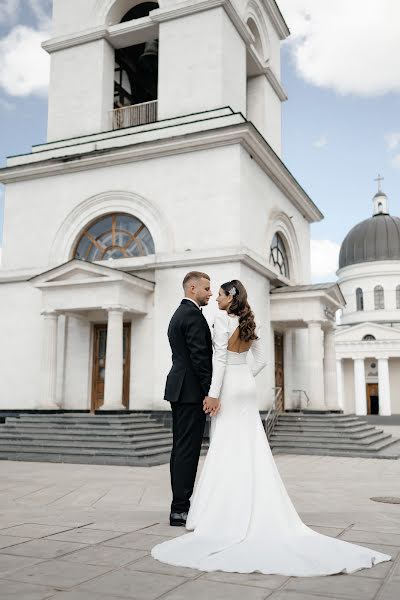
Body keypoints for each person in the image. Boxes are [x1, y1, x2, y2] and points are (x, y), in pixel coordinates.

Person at [152, 279, 392, 576]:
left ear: (230, 297)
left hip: (227, 387)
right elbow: (261, 360)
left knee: (226, 447)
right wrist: (245, 377)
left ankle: (221, 510)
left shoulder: (222, 322)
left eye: (220, 294)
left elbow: (221, 361)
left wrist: (215, 393)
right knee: (252, 446)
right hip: (247, 388)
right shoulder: (250, 322)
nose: (215, 297)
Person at [164, 271, 220, 527]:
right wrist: (211, 392)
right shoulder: (193, 316)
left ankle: (179, 506)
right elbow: (200, 359)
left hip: (179, 389)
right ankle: (180, 510)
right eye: (207, 289)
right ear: (192, 288)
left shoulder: (178, 314)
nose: (210, 293)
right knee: (187, 450)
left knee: (180, 449)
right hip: (190, 392)